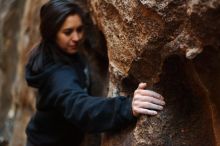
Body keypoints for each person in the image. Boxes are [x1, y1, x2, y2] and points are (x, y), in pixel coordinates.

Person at [25, 0, 165, 146]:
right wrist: (126, 107)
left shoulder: (60, 53)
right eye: (68, 32)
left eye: (79, 29)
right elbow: (80, 107)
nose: (76, 38)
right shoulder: (58, 76)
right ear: (51, 33)